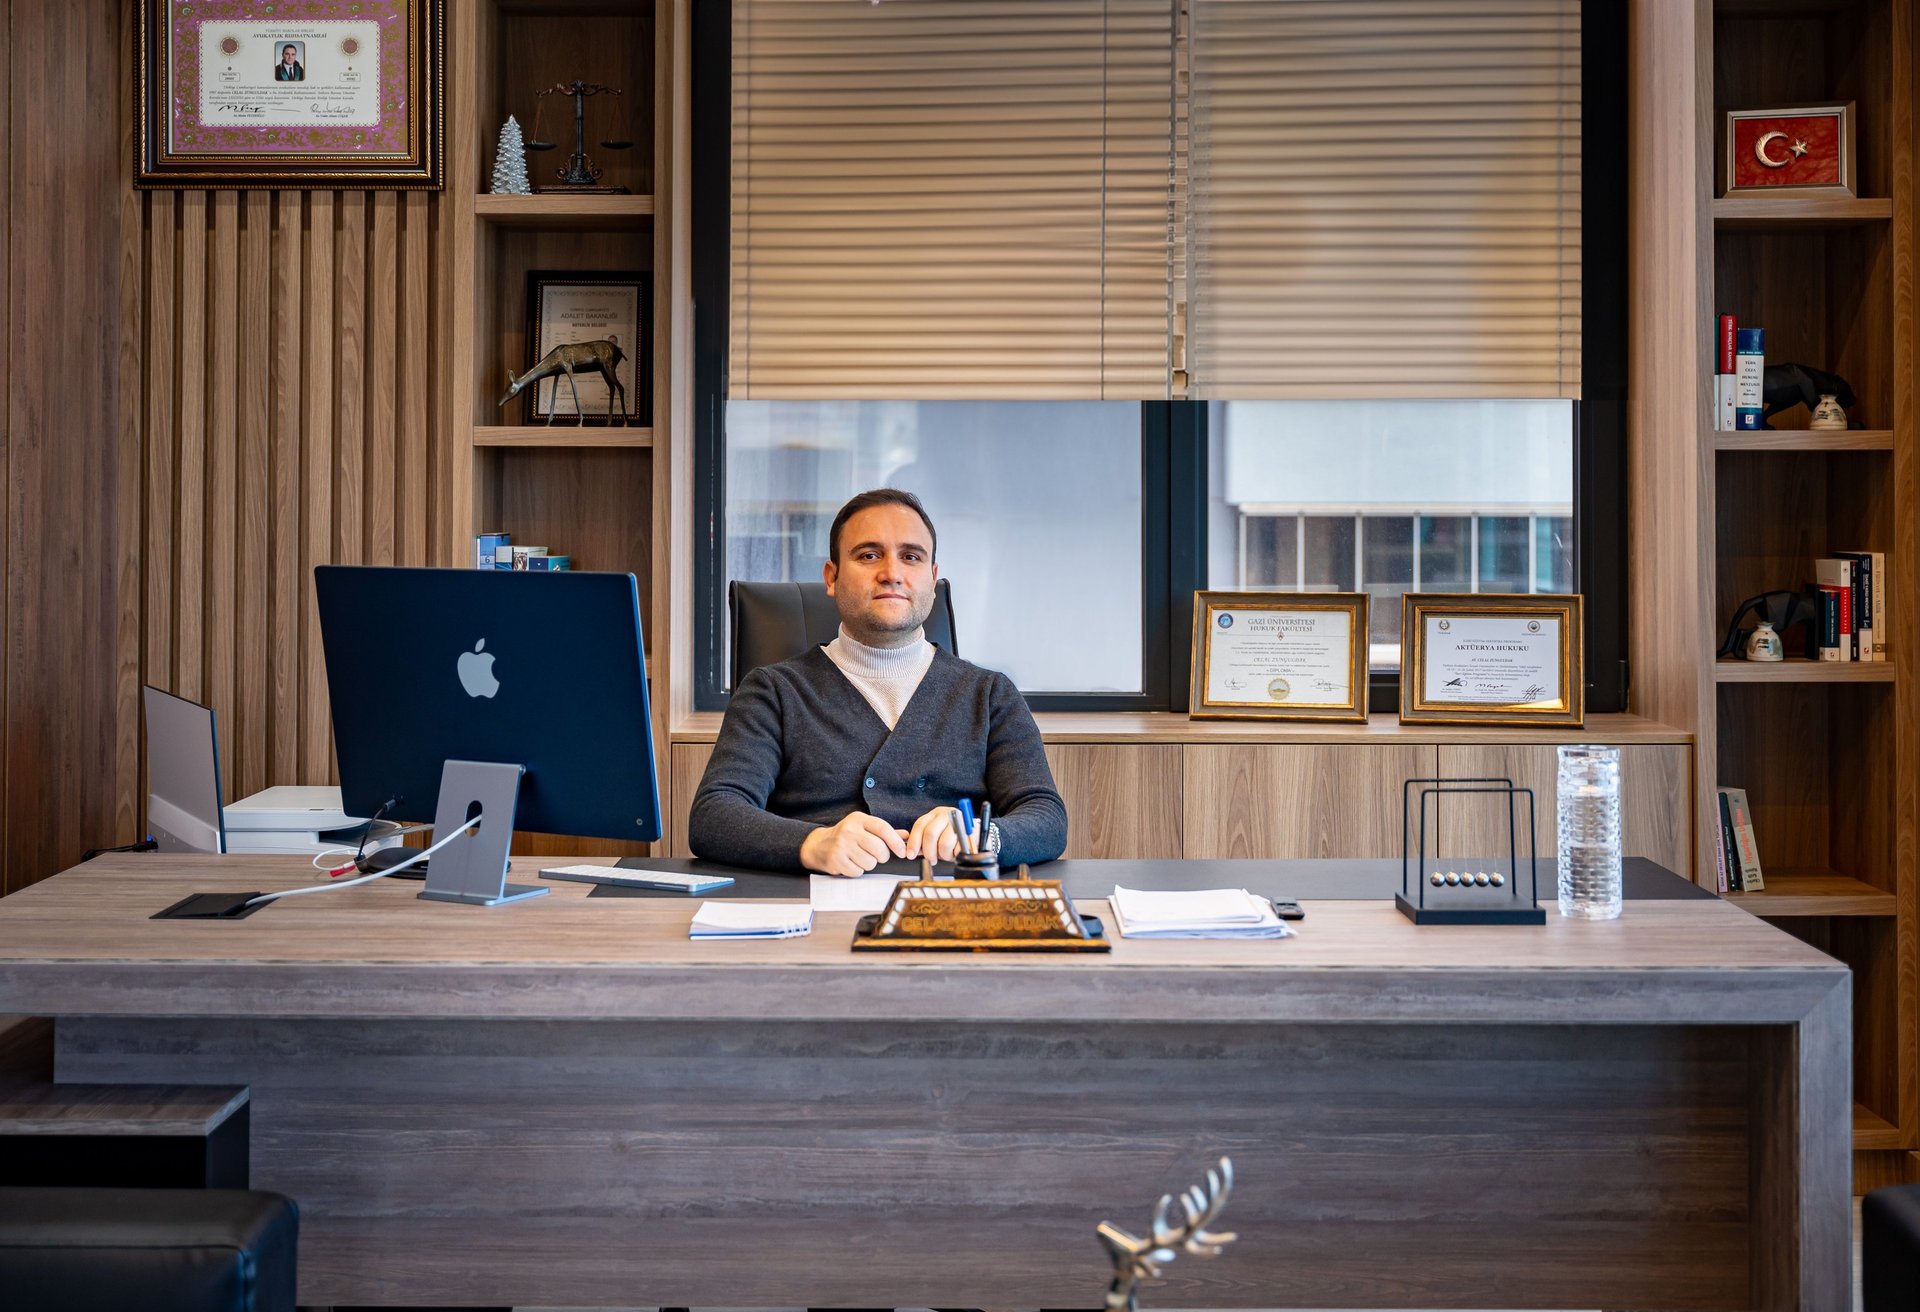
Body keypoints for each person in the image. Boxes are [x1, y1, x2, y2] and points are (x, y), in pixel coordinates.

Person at [689, 488, 1067, 875]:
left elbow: (1046, 818)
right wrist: (810, 843)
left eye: (911, 557)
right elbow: (714, 814)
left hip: (951, 907)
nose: (892, 573)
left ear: (932, 580)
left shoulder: (989, 695)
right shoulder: (773, 691)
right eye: (869, 555)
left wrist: (982, 837)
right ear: (832, 577)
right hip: (813, 909)